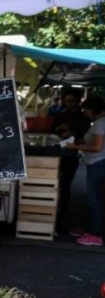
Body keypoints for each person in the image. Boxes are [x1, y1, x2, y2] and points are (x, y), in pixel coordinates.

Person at [67, 96, 105, 246]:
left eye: (86, 111)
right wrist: (76, 142)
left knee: (93, 200)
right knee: (94, 199)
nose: (85, 113)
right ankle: (90, 229)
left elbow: (97, 147)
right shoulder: (99, 122)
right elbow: (89, 140)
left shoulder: (100, 123)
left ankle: (96, 235)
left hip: (97, 163)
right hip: (97, 163)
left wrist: (74, 147)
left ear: (93, 110)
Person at [52, 88, 90, 229]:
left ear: (78, 101)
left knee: (66, 185)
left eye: (72, 101)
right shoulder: (59, 115)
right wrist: (58, 129)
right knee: (53, 182)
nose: (69, 104)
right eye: (67, 101)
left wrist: (72, 132)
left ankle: (62, 213)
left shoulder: (84, 118)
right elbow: (52, 131)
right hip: (57, 152)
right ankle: (53, 208)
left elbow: (86, 136)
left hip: (71, 155)